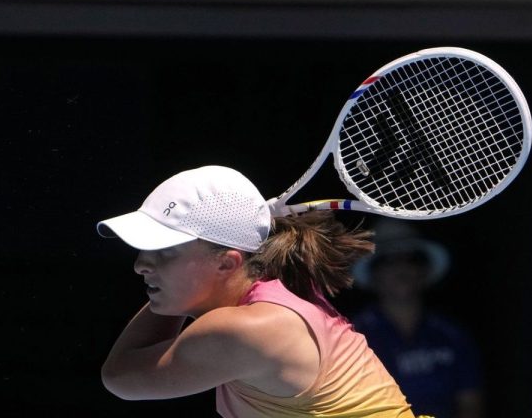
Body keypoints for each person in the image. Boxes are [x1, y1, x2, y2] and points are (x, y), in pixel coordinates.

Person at [96, 165, 422, 418]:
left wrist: (177, 293)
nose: (141, 265)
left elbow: (120, 376)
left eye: (164, 251)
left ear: (227, 263)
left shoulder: (243, 331)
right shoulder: (279, 288)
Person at [350, 218, 484, 418]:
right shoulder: (351, 338)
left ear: (425, 269)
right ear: (373, 274)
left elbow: (471, 404)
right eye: (388, 260)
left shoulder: (453, 336)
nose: (400, 268)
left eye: (410, 258)